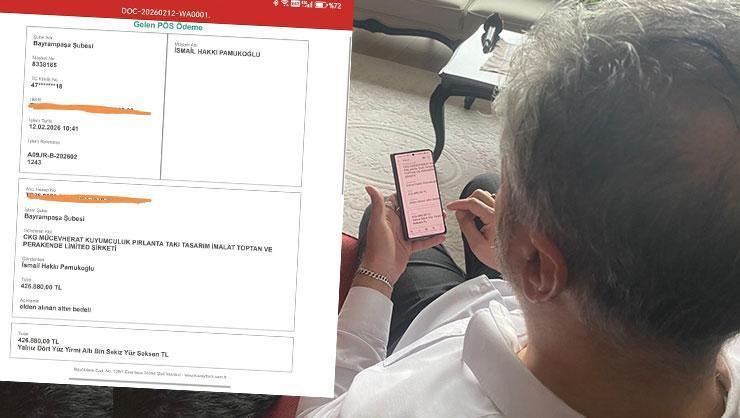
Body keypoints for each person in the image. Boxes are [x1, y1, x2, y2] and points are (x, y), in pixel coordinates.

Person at [298, 0, 740, 416]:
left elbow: (319, 409)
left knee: (381, 224)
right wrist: (517, 266)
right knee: (482, 187)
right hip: (539, 303)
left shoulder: (387, 407)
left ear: (539, 263)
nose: (503, 192)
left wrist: (375, 276)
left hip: (439, 333)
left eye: (512, 175)